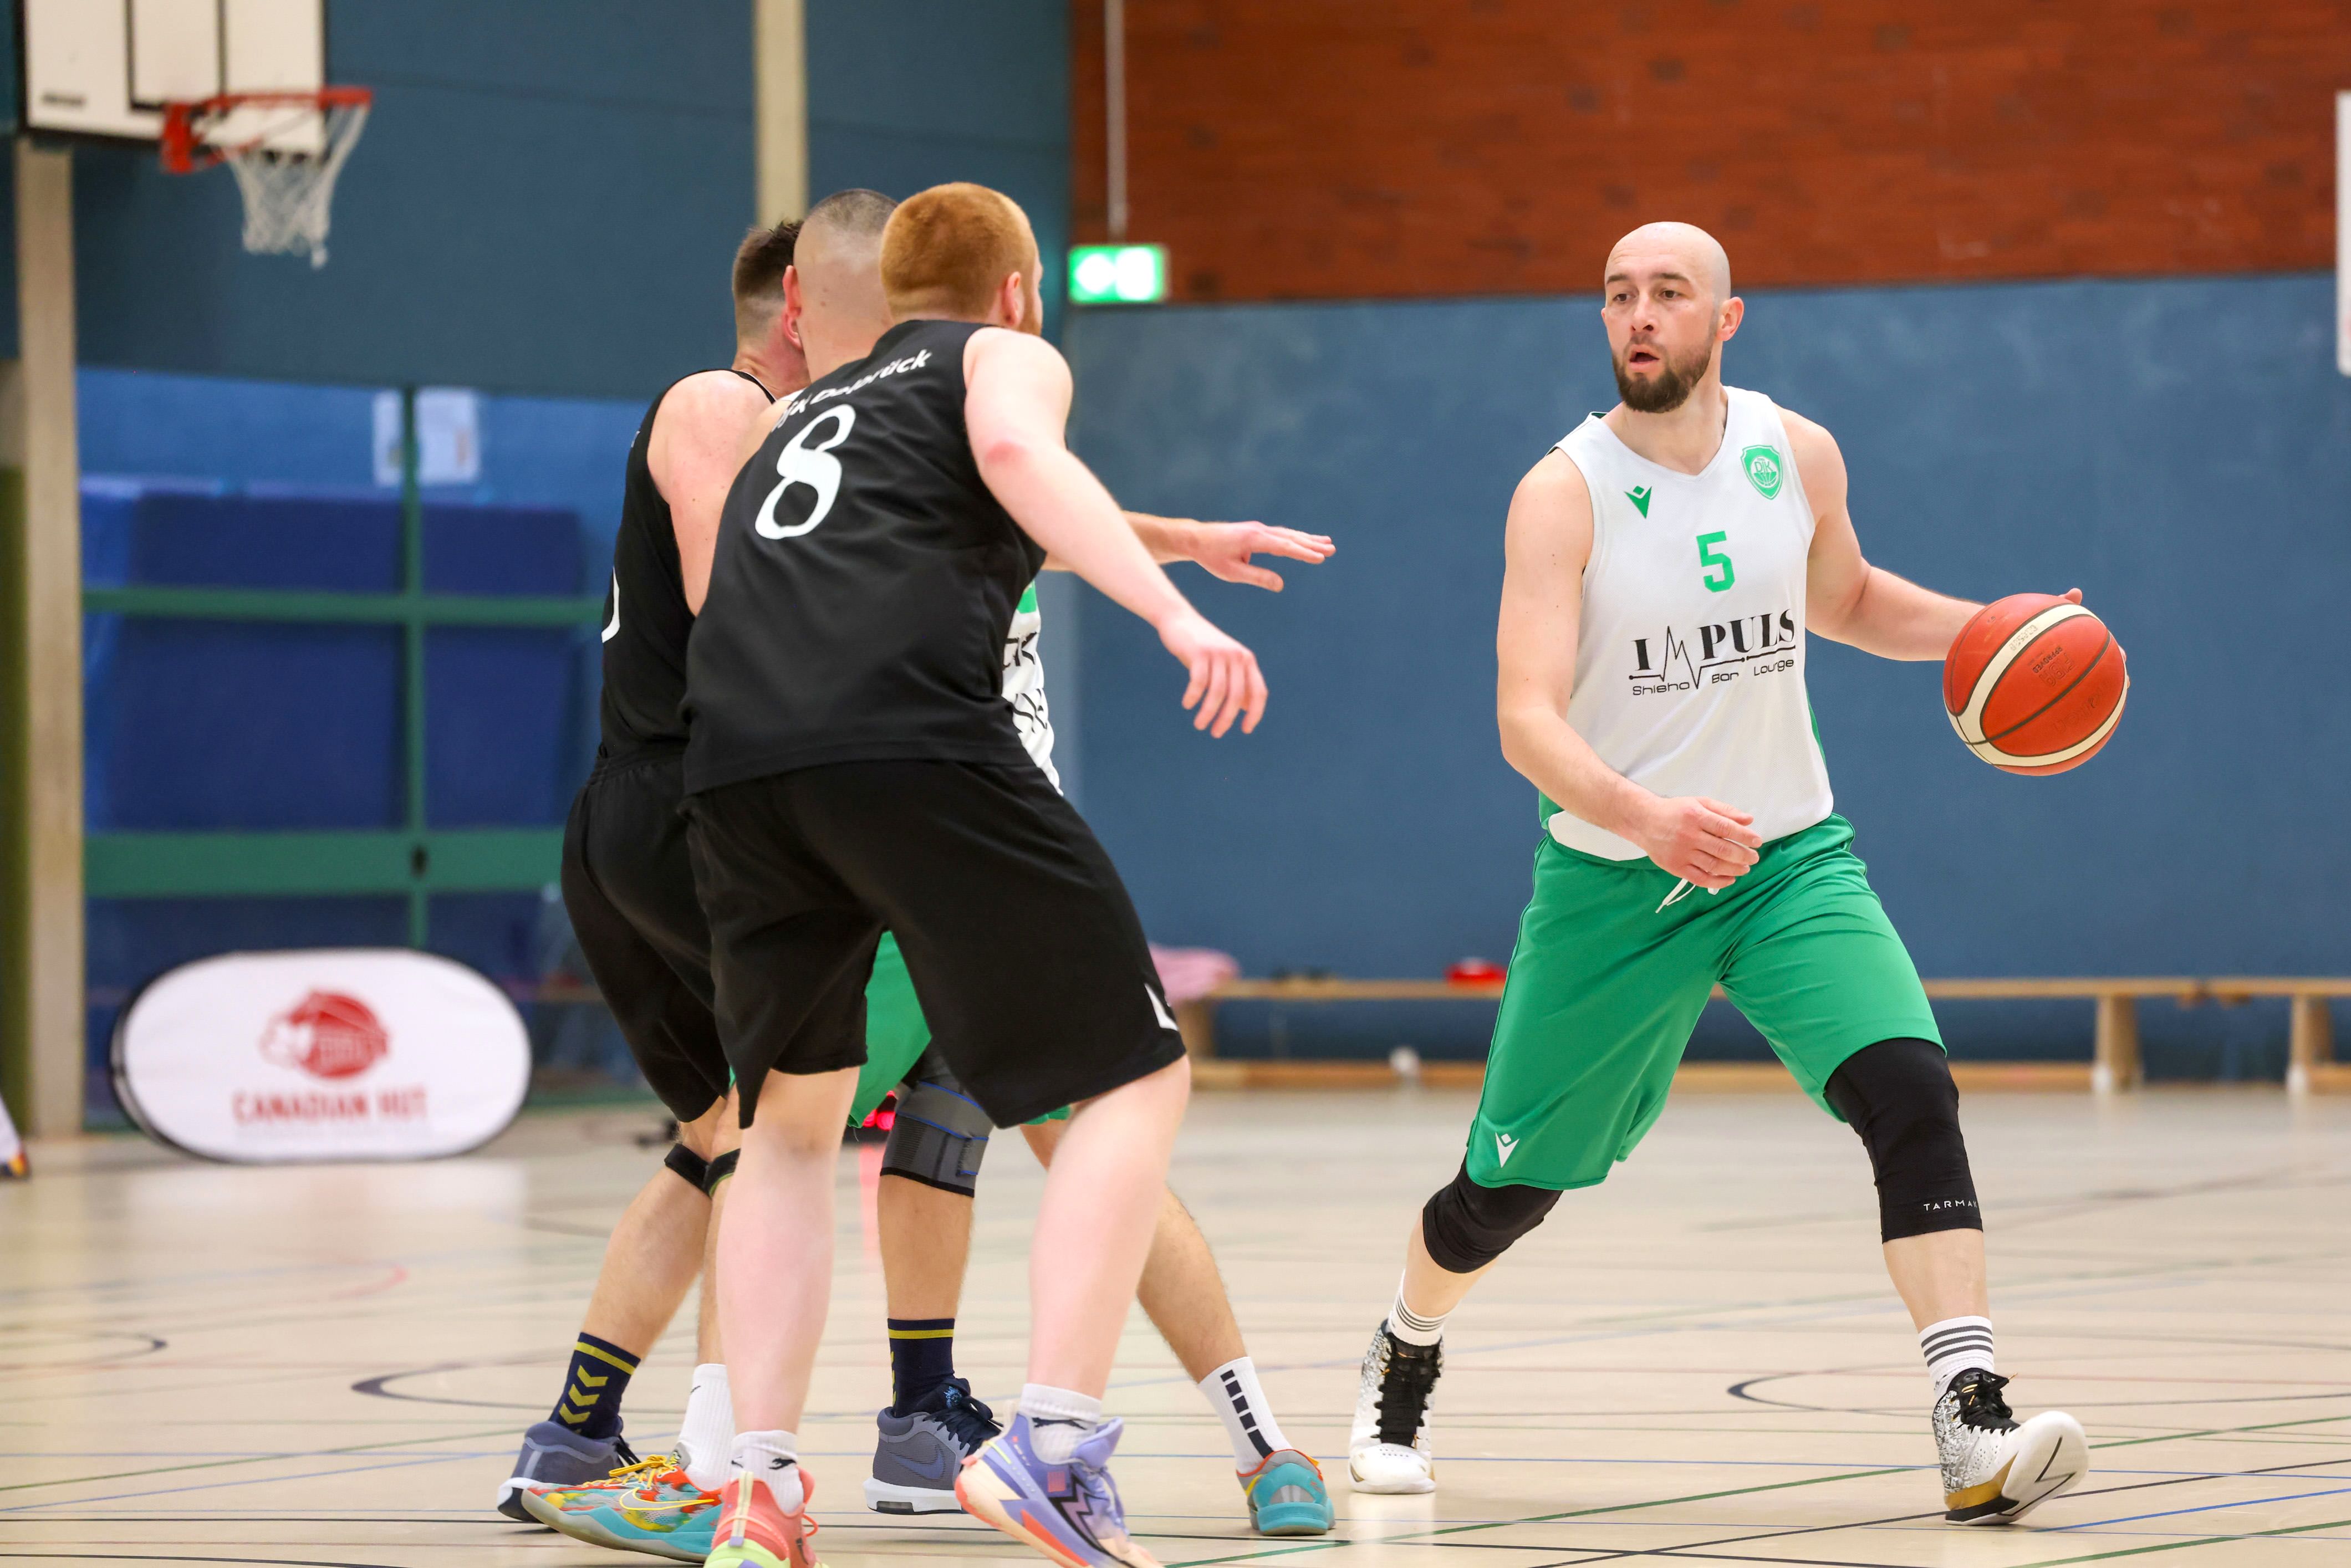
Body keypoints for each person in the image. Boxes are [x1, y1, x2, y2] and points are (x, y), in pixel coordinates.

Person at [510, 191, 1334, 1558]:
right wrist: (1176, 610)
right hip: (910, 760)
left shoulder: (801, 422)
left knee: (778, 1132)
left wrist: (1181, 535)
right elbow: (1014, 451)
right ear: (1016, 291)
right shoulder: (995, 357)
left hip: (741, 784)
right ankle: (1053, 1448)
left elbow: (940, 514)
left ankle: (758, 1484)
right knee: (1135, 1077)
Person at [1345, 222, 2090, 1527]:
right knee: (1504, 1191)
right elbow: (1525, 717)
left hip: (1788, 859)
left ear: (1725, 318)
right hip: (1616, 884)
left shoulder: (1795, 452)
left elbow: (1844, 599)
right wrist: (1648, 818)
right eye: (1618, 295)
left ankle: (1970, 1414)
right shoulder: (1562, 492)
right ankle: (1406, 1346)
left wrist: (1996, 630)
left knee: (1911, 1089)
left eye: (1669, 293)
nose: (1639, 314)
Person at [494, 216, 803, 1521]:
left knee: (717, 1132)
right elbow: (741, 613)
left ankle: (574, 1432)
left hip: (638, 808)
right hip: (688, 806)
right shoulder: (725, 403)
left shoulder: (783, 431)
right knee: (778, 1136)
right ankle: (723, 1468)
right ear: (801, 306)